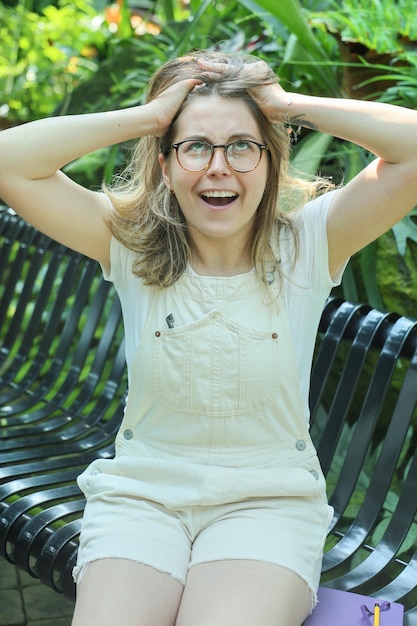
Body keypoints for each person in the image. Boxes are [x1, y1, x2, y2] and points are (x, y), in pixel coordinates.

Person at [0, 49, 417, 626]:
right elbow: (8, 162)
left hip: (267, 505)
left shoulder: (309, 245)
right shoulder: (130, 245)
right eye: (195, 146)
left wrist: (284, 105)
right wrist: (150, 119)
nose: (219, 166)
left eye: (244, 145)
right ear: (166, 165)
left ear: (271, 161)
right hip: (143, 499)